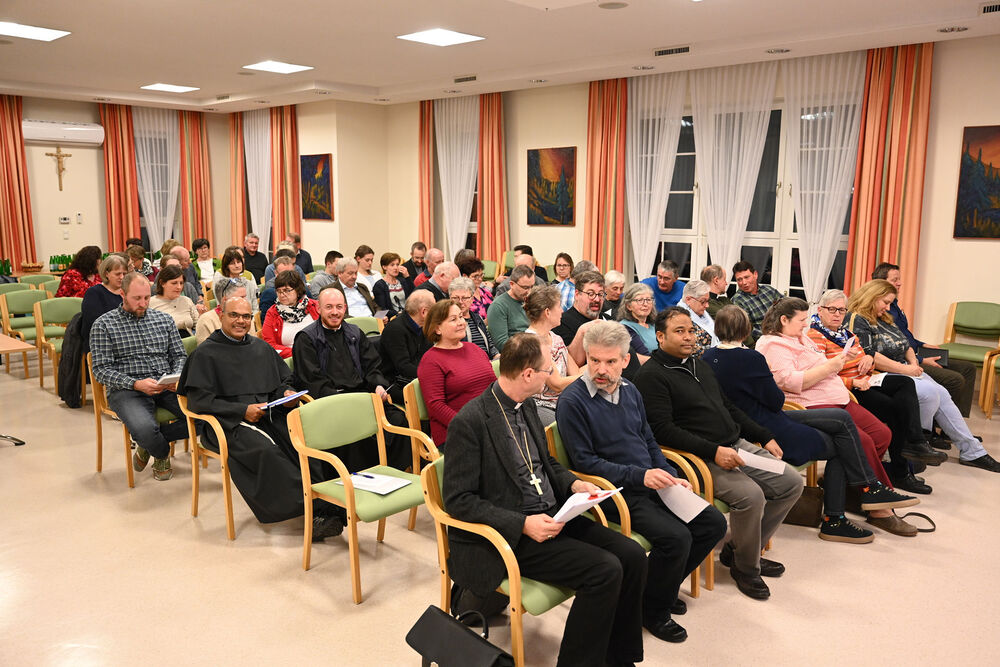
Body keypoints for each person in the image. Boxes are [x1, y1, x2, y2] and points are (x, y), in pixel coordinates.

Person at [443, 333, 648, 667]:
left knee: (633, 554)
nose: (552, 377)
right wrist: (522, 523)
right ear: (527, 374)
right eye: (547, 371)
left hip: (553, 514)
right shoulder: (471, 421)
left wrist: (574, 483)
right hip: (512, 534)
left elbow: (546, 463)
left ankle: (618, 657)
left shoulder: (526, 406)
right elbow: (458, 500)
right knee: (605, 570)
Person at [558, 320, 727, 642]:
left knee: (712, 524)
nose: (601, 369)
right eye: (594, 360)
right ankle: (653, 610)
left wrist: (670, 475)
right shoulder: (573, 401)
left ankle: (655, 590)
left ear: (626, 360)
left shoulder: (630, 390)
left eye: (610, 361)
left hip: (650, 481)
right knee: (677, 538)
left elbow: (648, 440)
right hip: (615, 492)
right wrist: (643, 476)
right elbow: (585, 463)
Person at [633, 307, 804, 600]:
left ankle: (741, 550)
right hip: (700, 457)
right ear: (660, 336)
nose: (689, 337)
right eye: (679, 331)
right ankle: (746, 568)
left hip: (737, 446)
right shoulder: (651, 375)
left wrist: (764, 435)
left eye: (691, 330)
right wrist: (714, 451)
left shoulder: (699, 365)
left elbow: (728, 407)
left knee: (791, 481)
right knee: (751, 496)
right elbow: (662, 431)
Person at [705, 305, 916, 542]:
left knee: (843, 421)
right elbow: (775, 400)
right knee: (842, 444)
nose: (806, 324)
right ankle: (837, 518)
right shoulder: (752, 357)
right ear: (746, 331)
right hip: (767, 422)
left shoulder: (706, 357)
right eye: (802, 320)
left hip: (762, 418)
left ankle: (869, 489)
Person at [178, 296, 345, 539]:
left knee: (304, 442)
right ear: (221, 316)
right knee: (268, 452)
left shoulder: (260, 348)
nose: (241, 321)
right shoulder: (205, 354)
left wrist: (286, 394)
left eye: (246, 316)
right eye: (234, 315)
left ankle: (326, 502)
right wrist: (241, 410)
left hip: (268, 414)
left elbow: (283, 380)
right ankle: (313, 510)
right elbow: (198, 401)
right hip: (227, 422)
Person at [755, 297, 925, 536]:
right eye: (802, 320)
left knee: (881, 434)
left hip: (837, 397)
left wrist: (839, 364)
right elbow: (790, 382)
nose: (806, 324)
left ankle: (849, 489)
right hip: (809, 404)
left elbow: (820, 365)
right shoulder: (773, 345)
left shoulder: (800, 337)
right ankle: (881, 508)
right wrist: (831, 366)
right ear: (784, 320)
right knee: (862, 441)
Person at [848, 280, 1000, 473]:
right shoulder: (857, 319)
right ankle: (916, 444)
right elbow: (868, 354)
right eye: (885, 302)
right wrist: (905, 370)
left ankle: (972, 451)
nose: (888, 307)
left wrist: (914, 364)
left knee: (942, 393)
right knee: (929, 393)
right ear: (871, 297)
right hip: (883, 373)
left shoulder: (884, 317)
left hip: (904, 367)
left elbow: (906, 344)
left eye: (890, 303)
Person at [808, 289, 946, 493]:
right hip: (850, 388)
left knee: (905, 384)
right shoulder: (815, 337)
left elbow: (866, 358)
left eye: (842, 310)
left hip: (868, 379)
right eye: (832, 310)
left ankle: (914, 442)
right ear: (820, 310)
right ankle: (901, 469)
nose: (837, 314)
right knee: (895, 409)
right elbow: (821, 376)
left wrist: (868, 359)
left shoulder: (846, 334)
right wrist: (852, 382)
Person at [292, 287, 411, 471]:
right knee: (353, 429)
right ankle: (360, 479)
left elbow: (372, 366)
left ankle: (392, 473)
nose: (335, 312)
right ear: (318, 309)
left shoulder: (354, 332)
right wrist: (346, 402)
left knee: (398, 419)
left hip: (363, 396)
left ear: (345, 308)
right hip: (330, 402)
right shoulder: (306, 339)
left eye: (339, 307)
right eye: (329, 307)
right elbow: (312, 381)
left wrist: (378, 385)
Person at [90, 272, 187, 481]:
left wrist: (175, 377)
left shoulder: (163, 320)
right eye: (136, 298)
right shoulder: (103, 325)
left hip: (165, 384)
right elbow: (101, 370)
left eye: (146, 297)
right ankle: (160, 452)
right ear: (122, 294)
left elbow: (179, 355)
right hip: (127, 390)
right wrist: (135, 384)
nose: (143, 303)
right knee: (144, 429)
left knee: (206, 415)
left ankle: (148, 445)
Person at [873, 262, 978, 418]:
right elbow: (894, 346)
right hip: (908, 359)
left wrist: (924, 345)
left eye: (899, 279)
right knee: (955, 379)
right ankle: (938, 424)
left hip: (916, 352)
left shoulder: (894, 305)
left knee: (968, 368)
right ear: (881, 282)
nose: (900, 283)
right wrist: (921, 359)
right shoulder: (882, 310)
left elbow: (906, 335)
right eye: (895, 280)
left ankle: (956, 418)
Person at [417, 300, 496, 446]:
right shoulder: (431, 360)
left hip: (490, 422)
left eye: (461, 317)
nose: (461, 322)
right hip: (458, 431)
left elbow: (494, 387)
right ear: (437, 329)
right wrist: (468, 425)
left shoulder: (475, 349)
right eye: (453, 319)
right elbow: (436, 406)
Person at [523, 286, 581, 424]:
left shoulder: (556, 338)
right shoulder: (532, 343)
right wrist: (592, 374)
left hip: (562, 401)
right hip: (540, 406)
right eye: (559, 306)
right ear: (547, 312)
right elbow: (557, 384)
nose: (562, 311)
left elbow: (576, 373)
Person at [380, 290, 435, 404]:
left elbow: (430, 356)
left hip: (417, 378)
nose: (436, 314)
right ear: (424, 312)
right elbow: (403, 367)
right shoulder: (395, 330)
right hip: (396, 383)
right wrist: (432, 375)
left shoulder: (424, 326)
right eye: (434, 310)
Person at [262, 271, 318, 359]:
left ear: (298, 290)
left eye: (287, 290)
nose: (282, 295)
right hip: (291, 359)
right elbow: (269, 344)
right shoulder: (272, 313)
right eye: (279, 291)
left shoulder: (315, 306)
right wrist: (297, 352)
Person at [81, 254, 128, 351]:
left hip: (126, 338)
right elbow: (94, 324)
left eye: (124, 274)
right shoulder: (94, 293)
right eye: (118, 274)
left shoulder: (128, 291)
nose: (122, 277)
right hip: (102, 341)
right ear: (106, 274)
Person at [449, 277, 499, 359]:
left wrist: (497, 356)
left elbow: (490, 346)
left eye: (464, 298)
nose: (460, 302)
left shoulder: (477, 318)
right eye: (456, 298)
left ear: (472, 299)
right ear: (450, 298)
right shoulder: (449, 322)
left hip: (487, 361)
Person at [486, 264, 533, 350]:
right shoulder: (498, 306)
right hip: (518, 352)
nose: (529, 291)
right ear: (511, 284)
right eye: (525, 287)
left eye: (532, 286)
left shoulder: (530, 299)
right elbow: (501, 343)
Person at [196, 279, 255, 344]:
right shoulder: (206, 321)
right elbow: (206, 349)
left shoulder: (247, 317)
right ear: (225, 300)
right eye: (241, 297)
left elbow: (255, 345)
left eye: (245, 297)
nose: (245, 301)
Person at [731, 260, 782, 335]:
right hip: (763, 338)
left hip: (782, 332)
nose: (744, 283)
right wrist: (770, 336)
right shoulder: (737, 301)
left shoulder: (768, 290)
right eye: (739, 279)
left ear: (755, 275)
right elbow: (746, 329)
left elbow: (787, 307)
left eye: (746, 277)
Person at [150, 265, 199, 337]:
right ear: (162, 283)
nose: (179, 287)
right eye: (174, 283)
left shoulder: (186, 300)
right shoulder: (151, 303)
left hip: (189, 340)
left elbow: (198, 324)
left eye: (181, 283)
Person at [676, 280, 719, 356]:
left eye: (707, 301)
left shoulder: (701, 313)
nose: (707, 306)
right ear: (688, 300)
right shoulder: (679, 319)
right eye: (703, 302)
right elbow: (693, 351)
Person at [213, 247, 259, 312]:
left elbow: (255, 308)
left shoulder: (249, 284)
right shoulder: (223, 285)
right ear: (227, 266)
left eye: (238, 262)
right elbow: (222, 307)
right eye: (232, 263)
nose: (237, 266)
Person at [618, 283, 657, 356]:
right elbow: (644, 355)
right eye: (640, 300)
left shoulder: (654, 324)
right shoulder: (625, 328)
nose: (645, 304)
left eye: (648, 300)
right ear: (628, 306)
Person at [371, 251, 413, 317]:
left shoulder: (402, 281)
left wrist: (407, 277)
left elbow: (414, 295)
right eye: (392, 265)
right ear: (384, 267)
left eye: (397, 264)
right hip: (393, 317)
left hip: (408, 315)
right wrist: (398, 313)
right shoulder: (379, 285)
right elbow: (382, 310)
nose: (396, 268)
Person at [168, 246, 205, 312]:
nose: (190, 262)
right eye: (186, 260)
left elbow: (197, 283)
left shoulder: (190, 267)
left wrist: (200, 296)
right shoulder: (166, 275)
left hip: (195, 300)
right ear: (177, 261)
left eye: (189, 258)